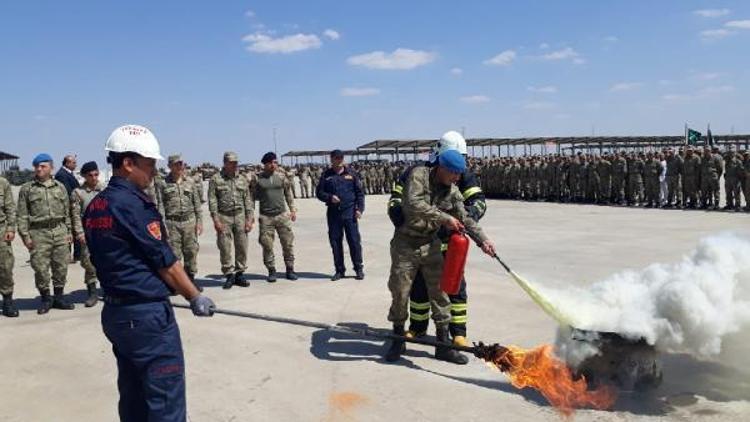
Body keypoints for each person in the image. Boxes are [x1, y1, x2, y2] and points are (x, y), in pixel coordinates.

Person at [85, 124, 215, 422]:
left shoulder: (96, 205)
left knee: (134, 398)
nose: (154, 172)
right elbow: (165, 262)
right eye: (149, 165)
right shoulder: (133, 205)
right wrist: (195, 296)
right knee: (165, 400)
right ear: (128, 164)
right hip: (147, 320)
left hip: (117, 314)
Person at [384, 149, 496, 364]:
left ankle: (443, 344)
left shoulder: (453, 191)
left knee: (441, 294)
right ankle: (397, 338)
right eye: (454, 173)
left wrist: (483, 240)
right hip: (405, 244)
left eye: (459, 174)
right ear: (442, 168)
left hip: (431, 243)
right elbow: (414, 204)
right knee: (400, 292)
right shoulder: (419, 175)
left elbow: (466, 219)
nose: (457, 178)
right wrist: (445, 218)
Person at [17, 153, 75, 314]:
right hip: (38, 232)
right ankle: (45, 299)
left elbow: (67, 212)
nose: (39, 169)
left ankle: (59, 297)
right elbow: (21, 215)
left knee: (61, 266)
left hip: (59, 230)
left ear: (51, 168)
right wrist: (25, 237)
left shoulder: (60, 187)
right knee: (40, 268)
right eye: (36, 166)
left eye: (43, 166)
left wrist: (69, 231)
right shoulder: (27, 189)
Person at [155, 154, 203, 291]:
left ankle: (190, 280)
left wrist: (199, 222)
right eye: (176, 164)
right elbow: (161, 205)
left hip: (189, 221)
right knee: (174, 255)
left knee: (191, 251)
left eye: (181, 163)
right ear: (170, 166)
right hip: (172, 223)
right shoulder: (163, 183)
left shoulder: (190, 182)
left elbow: (197, 204)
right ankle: (175, 284)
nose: (180, 166)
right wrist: (162, 225)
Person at [316, 150, 365, 281]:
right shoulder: (326, 175)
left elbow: (359, 193)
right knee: (336, 243)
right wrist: (330, 197)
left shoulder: (352, 174)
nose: (339, 160)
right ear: (331, 159)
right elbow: (319, 193)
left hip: (350, 214)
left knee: (354, 242)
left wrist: (360, 209)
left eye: (341, 158)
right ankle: (339, 270)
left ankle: (358, 269)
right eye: (337, 158)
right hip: (334, 214)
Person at [249, 152, 298, 282]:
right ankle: (271, 270)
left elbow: (288, 194)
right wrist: (250, 215)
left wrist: (292, 210)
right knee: (267, 245)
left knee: (288, 243)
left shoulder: (281, 177)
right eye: (270, 163)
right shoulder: (257, 179)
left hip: (282, 215)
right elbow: (251, 198)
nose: (273, 165)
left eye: (275, 162)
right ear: (264, 164)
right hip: (266, 217)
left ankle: (290, 269)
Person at [208, 152, 253, 289]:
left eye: (236, 162)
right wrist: (216, 219)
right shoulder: (216, 179)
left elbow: (247, 199)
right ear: (225, 163)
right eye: (232, 163)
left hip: (240, 215)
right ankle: (228, 274)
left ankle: (240, 274)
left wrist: (249, 218)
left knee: (242, 246)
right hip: (224, 216)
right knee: (225, 247)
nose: (235, 165)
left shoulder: (242, 179)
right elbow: (212, 200)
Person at [71, 161, 104, 307]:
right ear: (85, 176)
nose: (94, 177)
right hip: (88, 231)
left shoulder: (104, 190)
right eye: (90, 175)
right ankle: (92, 292)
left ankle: (108, 289)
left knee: (108, 261)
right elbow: (76, 215)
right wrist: (79, 233)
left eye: (96, 174)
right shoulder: (78, 193)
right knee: (88, 262)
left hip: (105, 230)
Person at [55, 154, 81, 262]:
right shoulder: (62, 175)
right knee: (70, 231)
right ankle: (69, 256)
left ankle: (77, 255)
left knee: (76, 230)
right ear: (67, 163)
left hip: (74, 206)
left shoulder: (68, 174)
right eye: (73, 162)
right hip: (69, 207)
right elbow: (67, 191)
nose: (75, 164)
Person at [0, 175, 17, 317]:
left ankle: (7, 301)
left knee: (5, 267)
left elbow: (10, 207)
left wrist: (11, 228)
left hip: (1, 230)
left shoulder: (2, 182)